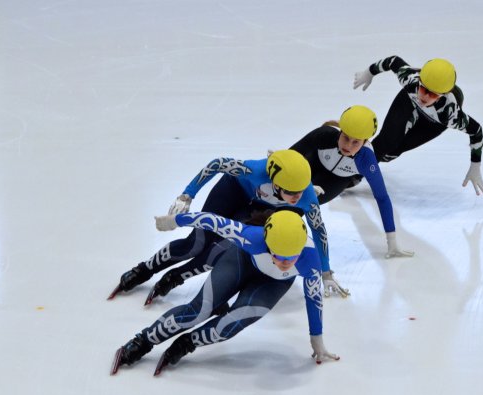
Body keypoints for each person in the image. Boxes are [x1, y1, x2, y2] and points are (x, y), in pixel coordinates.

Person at [110, 210, 339, 376]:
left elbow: (314, 299)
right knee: (198, 311)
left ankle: (186, 343)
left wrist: (316, 341)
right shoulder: (251, 236)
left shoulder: (311, 261)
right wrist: (173, 221)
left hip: (272, 285)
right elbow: (210, 221)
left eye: (292, 257)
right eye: (279, 255)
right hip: (240, 261)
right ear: (268, 244)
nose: (285, 263)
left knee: (230, 325)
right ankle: (142, 341)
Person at [108, 149, 346, 303]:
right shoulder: (256, 169)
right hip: (232, 191)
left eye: (300, 192)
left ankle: (175, 277)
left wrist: (325, 272)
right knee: (196, 243)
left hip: (256, 210)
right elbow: (217, 163)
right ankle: (144, 270)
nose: (296, 198)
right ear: (274, 181)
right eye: (291, 192)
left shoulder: (306, 197)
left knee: (219, 252)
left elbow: (319, 231)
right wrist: (187, 195)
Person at [289, 105, 414, 259]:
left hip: (337, 180)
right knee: (284, 191)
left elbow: (382, 198)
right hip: (314, 163)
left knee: (298, 206)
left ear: (365, 142)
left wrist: (392, 240)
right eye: (346, 138)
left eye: (356, 142)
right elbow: (289, 157)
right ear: (340, 131)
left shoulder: (367, 160)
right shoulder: (324, 135)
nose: (348, 145)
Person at [353, 56, 483, 195]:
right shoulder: (411, 80)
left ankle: (364, 156)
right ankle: (353, 174)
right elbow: (393, 61)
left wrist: (475, 166)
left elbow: (476, 131)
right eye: (423, 89)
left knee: (391, 154)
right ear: (419, 81)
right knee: (385, 142)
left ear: (443, 96)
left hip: (433, 122)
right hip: (409, 101)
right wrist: (369, 72)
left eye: (433, 95)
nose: (425, 97)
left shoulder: (449, 114)